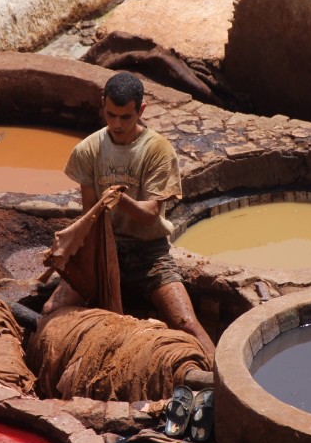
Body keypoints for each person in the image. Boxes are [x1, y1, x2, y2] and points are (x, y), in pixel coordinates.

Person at [42, 71, 216, 360]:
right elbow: (90, 215)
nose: (117, 124)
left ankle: (221, 382)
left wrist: (119, 198)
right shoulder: (88, 149)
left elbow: (150, 214)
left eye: (125, 117)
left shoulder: (157, 150)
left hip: (150, 253)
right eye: (111, 115)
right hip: (105, 249)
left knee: (187, 324)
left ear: (141, 110)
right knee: (50, 311)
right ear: (102, 105)